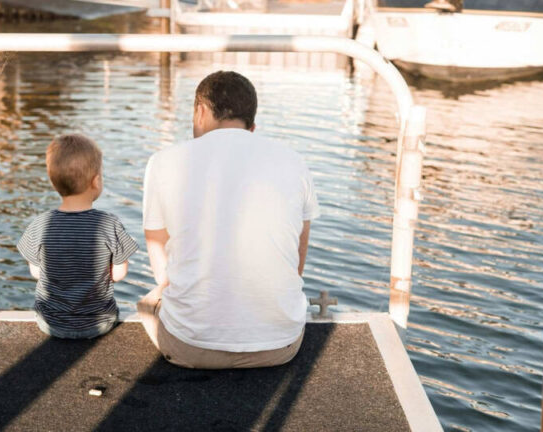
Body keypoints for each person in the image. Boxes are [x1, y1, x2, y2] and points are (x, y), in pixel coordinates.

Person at [138, 71, 320, 369]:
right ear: (252, 127)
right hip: (281, 346)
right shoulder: (294, 161)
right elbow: (297, 262)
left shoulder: (163, 161)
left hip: (189, 347)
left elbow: (161, 267)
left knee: (151, 299)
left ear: (200, 112)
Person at [18, 134, 139, 339]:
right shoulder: (110, 224)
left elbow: (36, 272)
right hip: (99, 323)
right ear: (96, 181)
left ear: (53, 181)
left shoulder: (40, 225)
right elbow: (119, 274)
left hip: (50, 323)